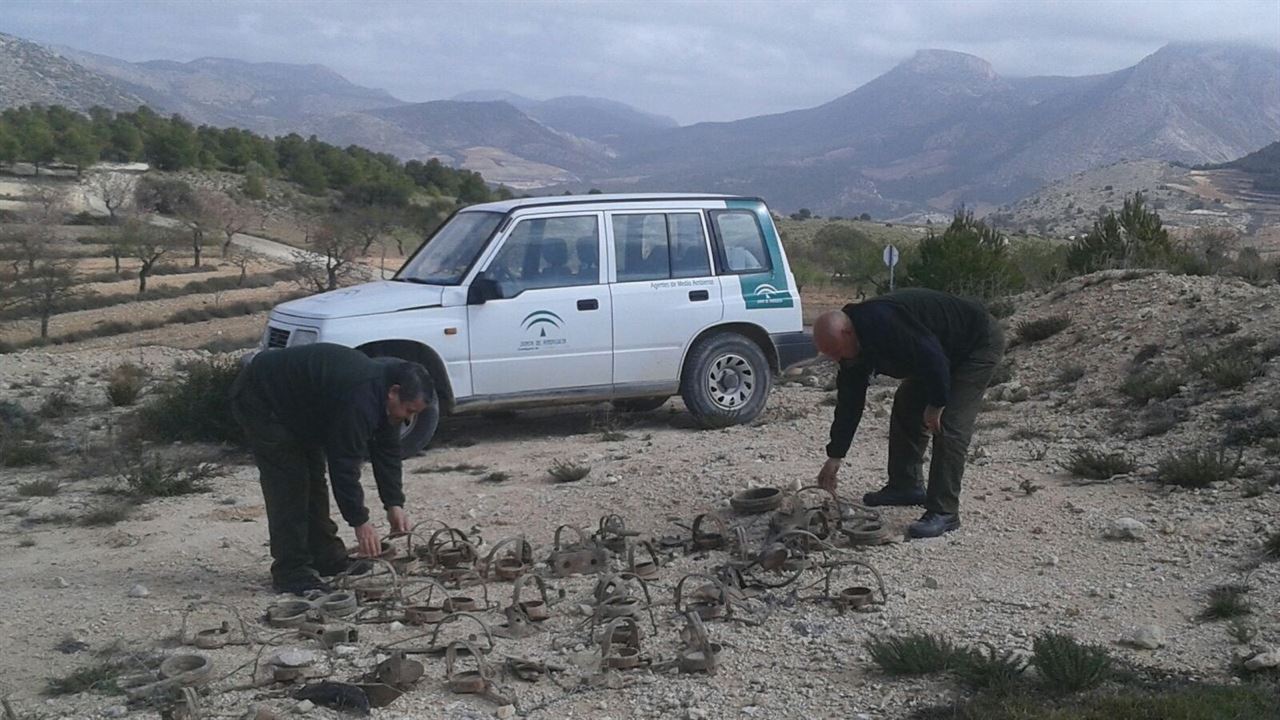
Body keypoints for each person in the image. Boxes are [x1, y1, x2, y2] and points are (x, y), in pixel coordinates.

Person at [230, 343, 432, 594]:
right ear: (394, 392)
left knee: (314, 477)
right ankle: (291, 571)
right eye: (409, 410)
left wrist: (394, 504)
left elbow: (388, 451)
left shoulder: (386, 392)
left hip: (303, 407)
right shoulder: (362, 398)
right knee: (290, 485)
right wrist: (360, 522)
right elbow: (344, 464)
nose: (408, 419)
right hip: (262, 398)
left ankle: (325, 556)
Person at [813, 288, 1005, 538]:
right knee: (906, 404)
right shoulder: (851, 348)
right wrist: (835, 455)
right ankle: (906, 485)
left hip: (975, 343)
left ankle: (944, 511)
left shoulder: (882, 322)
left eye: (837, 352)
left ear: (847, 332)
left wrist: (936, 404)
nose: (836, 359)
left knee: (949, 424)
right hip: (938, 354)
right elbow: (850, 402)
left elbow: (932, 356)